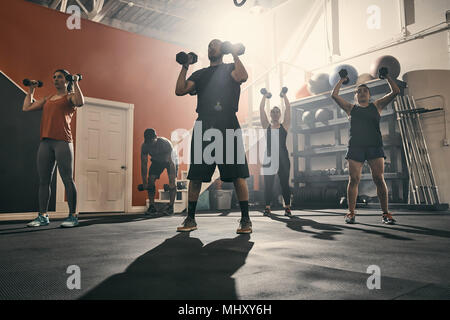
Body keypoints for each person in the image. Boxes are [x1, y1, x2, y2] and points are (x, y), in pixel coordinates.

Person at [175, 39, 251, 234]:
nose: (211, 47)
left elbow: (243, 76)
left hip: (227, 122)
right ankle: (190, 219)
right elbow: (180, 90)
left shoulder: (231, 68)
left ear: (222, 49)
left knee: (237, 175)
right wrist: (185, 66)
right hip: (205, 124)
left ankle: (245, 220)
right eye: (208, 45)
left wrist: (234, 52)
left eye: (214, 44)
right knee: (196, 176)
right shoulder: (200, 74)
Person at [331, 69, 400, 224]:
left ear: (369, 95)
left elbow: (395, 91)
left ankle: (385, 214)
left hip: (374, 146)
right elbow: (334, 95)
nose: (362, 93)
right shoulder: (351, 108)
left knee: (378, 178)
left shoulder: (377, 106)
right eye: (359, 91)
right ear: (356, 96)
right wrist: (342, 79)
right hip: (355, 147)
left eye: (365, 91)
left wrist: (387, 76)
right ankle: (351, 213)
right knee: (354, 179)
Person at [22, 69, 84, 227]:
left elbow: (80, 102)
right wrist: (31, 89)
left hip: (63, 141)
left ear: (66, 80)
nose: (56, 79)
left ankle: (73, 216)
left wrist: (75, 82)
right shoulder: (48, 98)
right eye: (54, 77)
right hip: (46, 142)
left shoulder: (69, 96)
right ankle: (43, 216)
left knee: (67, 180)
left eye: (60, 77)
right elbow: (27, 107)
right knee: (44, 181)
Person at [259, 89, 292, 217]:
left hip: (283, 158)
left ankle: (287, 207)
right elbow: (261, 108)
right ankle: (267, 208)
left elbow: (288, 108)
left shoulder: (285, 126)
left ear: (280, 114)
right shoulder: (266, 125)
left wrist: (284, 96)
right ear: (271, 114)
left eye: (277, 111)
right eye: (273, 111)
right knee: (268, 184)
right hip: (268, 158)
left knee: (284, 183)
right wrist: (264, 96)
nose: (275, 113)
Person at [141, 128, 178, 216]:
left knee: (172, 182)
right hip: (157, 162)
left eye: (151, 141)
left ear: (156, 137)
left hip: (170, 161)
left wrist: (172, 180)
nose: (150, 143)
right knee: (151, 180)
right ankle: (152, 206)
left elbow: (172, 163)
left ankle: (171, 207)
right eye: (148, 141)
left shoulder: (165, 143)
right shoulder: (145, 146)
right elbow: (144, 164)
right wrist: (144, 182)